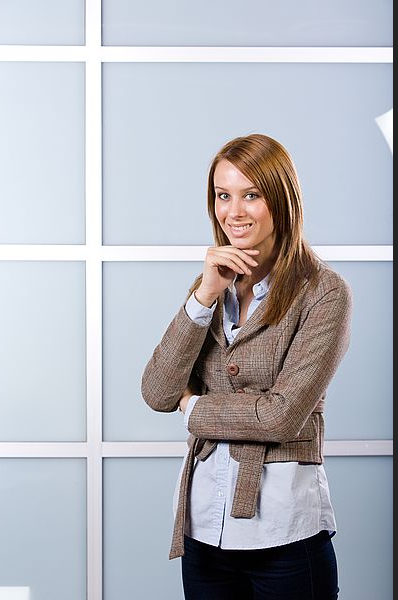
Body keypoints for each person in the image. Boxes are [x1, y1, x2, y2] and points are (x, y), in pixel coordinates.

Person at [141, 133, 352, 600]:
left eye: (251, 195)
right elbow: (157, 392)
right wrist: (204, 297)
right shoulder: (209, 285)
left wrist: (194, 408)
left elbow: (281, 415)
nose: (233, 211)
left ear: (280, 199)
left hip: (284, 534)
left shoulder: (324, 292)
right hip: (203, 532)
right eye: (223, 195)